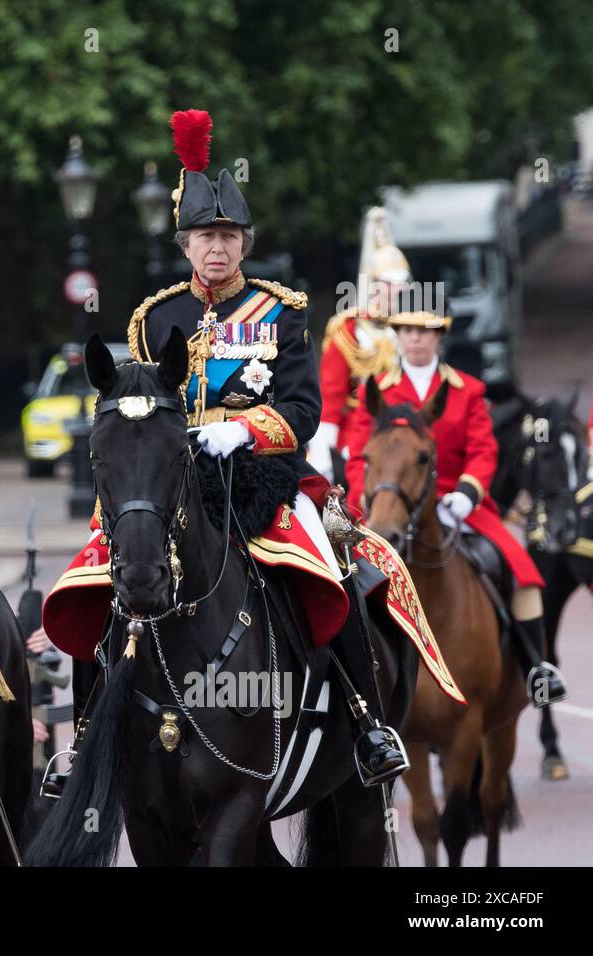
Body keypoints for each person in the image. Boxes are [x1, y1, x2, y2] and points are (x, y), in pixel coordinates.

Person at [43, 109, 409, 785]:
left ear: (245, 243)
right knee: (99, 574)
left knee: (336, 564)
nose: (218, 248)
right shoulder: (157, 317)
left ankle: (366, 722)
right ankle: (87, 736)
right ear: (185, 244)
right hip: (173, 479)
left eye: (230, 236)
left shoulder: (281, 311)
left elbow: (303, 410)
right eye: (206, 236)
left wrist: (242, 428)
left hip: (262, 479)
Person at [345, 311, 568, 707]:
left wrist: (466, 495)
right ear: (397, 337)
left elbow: (483, 451)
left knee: (521, 567)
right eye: (408, 332)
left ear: (439, 339)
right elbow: (360, 454)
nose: (416, 340)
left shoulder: (466, 390)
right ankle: (350, 674)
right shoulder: (376, 390)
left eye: (425, 333)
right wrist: (370, 501)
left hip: (454, 503)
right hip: (389, 505)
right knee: (346, 576)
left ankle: (538, 666)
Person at [308, 207, 406, 481]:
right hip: (358, 429)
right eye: (390, 283)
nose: (397, 290)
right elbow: (332, 395)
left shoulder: (408, 326)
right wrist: (323, 450)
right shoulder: (348, 329)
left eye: (401, 283)